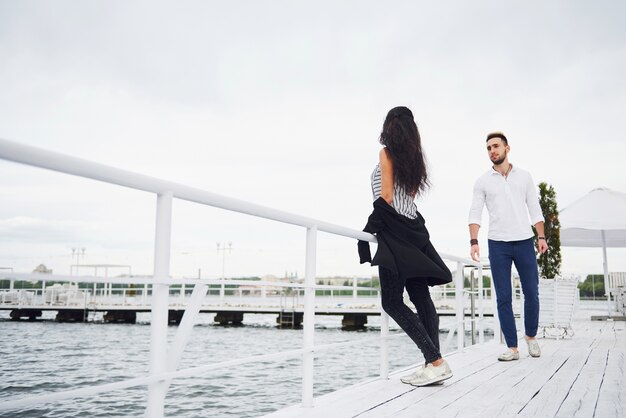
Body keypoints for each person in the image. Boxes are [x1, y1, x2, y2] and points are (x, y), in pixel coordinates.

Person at [358, 106, 453, 386]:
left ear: (390, 126)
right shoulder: (414, 159)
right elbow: (408, 197)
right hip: (413, 228)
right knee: (420, 296)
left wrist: (369, 227)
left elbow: (386, 196)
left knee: (392, 301)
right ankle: (433, 364)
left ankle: (435, 361)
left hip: (394, 231)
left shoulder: (386, 153)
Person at [468, 132, 548, 361]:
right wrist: (474, 241)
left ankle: (531, 337)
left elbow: (535, 208)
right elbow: (475, 212)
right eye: (488, 148)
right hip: (497, 244)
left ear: (507, 148)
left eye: (496, 146)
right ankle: (512, 347)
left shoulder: (524, 176)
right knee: (503, 297)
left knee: (532, 293)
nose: (492, 151)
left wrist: (541, 237)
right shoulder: (482, 182)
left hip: (524, 240)